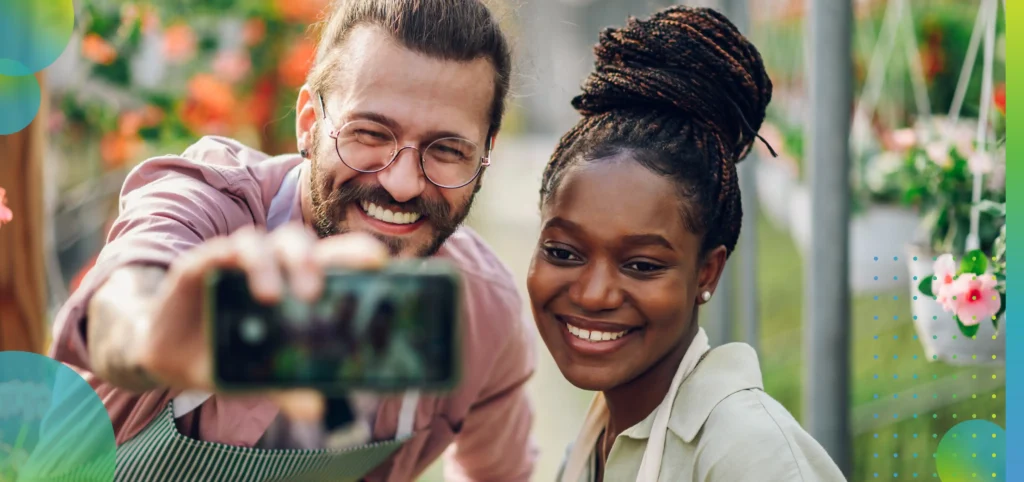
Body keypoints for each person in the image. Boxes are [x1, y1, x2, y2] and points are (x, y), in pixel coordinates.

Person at [48, 0, 537, 480]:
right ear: (309, 122)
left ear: (485, 152)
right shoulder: (212, 200)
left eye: (448, 149)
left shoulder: (482, 309)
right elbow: (123, 297)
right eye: (369, 133)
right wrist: (153, 334)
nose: (403, 183)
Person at [526, 6, 845, 481]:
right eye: (564, 253)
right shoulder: (596, 441)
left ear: (707, 273)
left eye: (641, 265)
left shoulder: (749, 454)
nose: (594, 294)